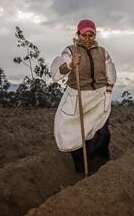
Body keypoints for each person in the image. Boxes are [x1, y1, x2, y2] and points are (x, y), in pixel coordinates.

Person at [50, 19, 116, 173]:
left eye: (91, 35)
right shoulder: (70, 51)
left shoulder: (102, 52)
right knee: (74, 133)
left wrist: (109, 87)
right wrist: (71, 64)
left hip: (98, 97)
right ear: (78, 34)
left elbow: (110, 70)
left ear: (95, 35)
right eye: (84, 35)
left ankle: (100, 166)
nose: (87, 38)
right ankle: (81, 169)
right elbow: (57, 73)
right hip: (78, 96)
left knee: (101, 131)